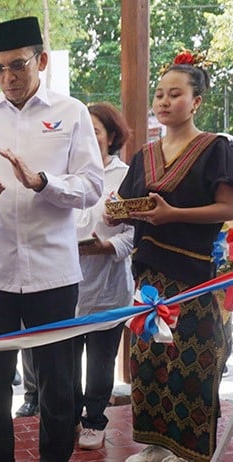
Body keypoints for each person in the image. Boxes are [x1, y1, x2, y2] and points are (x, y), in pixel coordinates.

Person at [0, 16, 103, 462]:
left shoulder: (71, 112)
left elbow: (92, 186)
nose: (8, 78)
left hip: (53, 271)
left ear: (42, 60)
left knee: (58, 383)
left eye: (17, 65)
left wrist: (43, 183)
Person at [116, 53, 233, 462]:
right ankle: (155, 446)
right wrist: (115, 212)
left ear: (196, 101)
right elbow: (126, 206)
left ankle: (188, 453)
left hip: (195, 279)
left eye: (175, 94)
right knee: (149, 365)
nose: (164, 101)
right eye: (159, 94)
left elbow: (228, 208)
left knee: (192, 369)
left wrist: (174, 215)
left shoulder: (215, 148)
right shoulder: (142, 157)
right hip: (149, 280)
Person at [71, 102, 134, 450]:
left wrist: (109, 247)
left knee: (99, 362)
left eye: (93, 131)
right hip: (67, 283)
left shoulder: (126, 176)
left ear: (111, 136)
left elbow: (136, 230)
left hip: (108, 285)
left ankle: (94, 420)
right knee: (64, 362)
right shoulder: (66, 172)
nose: (86, 138)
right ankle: (67, 415)